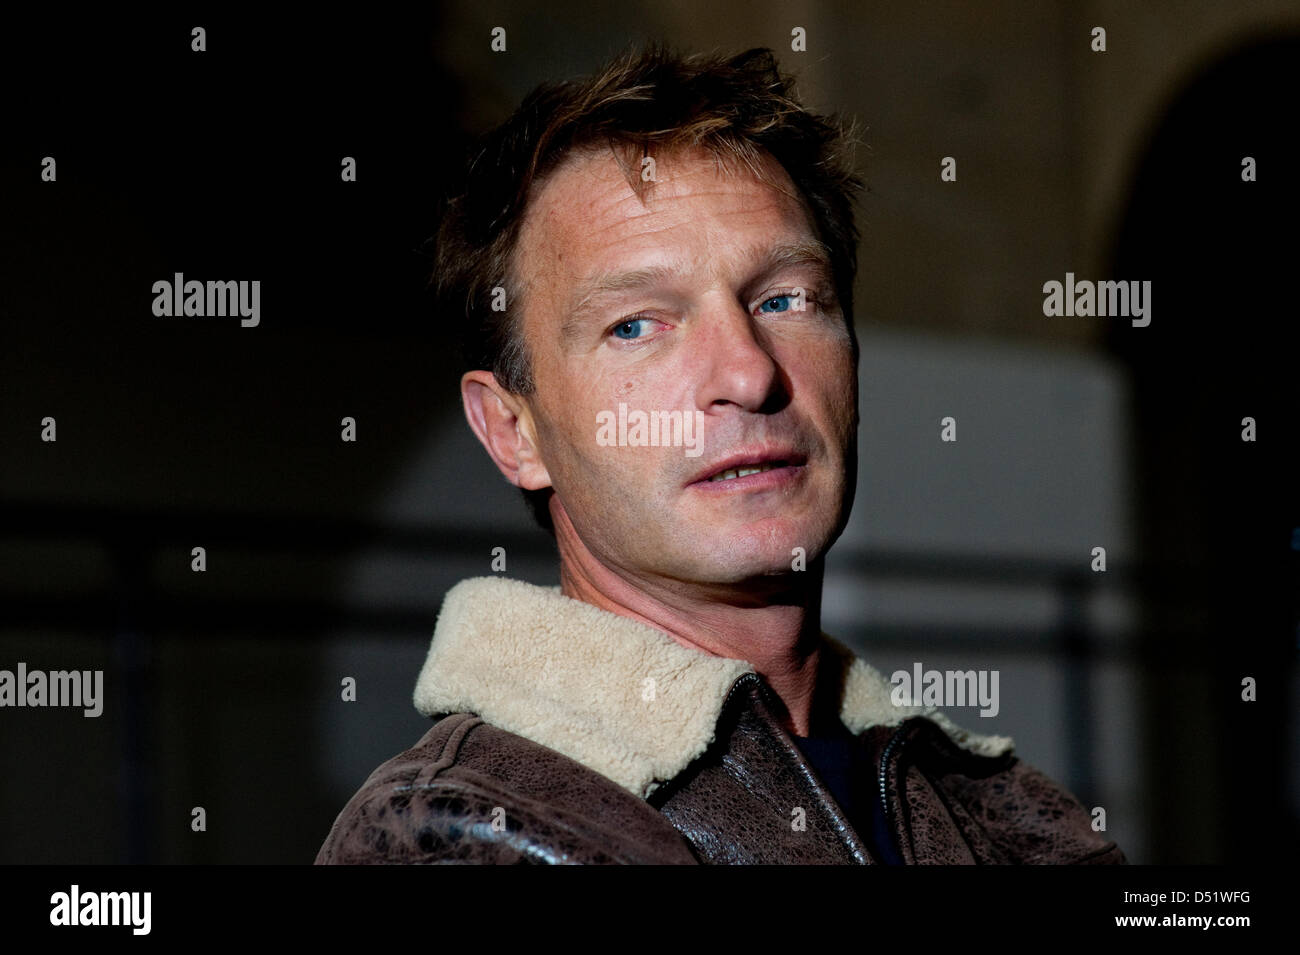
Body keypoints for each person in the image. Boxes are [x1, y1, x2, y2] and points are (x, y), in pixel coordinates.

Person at [315, 45, 1125, 865]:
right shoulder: (455, 834)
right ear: (512, 431)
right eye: (636, 324)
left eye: (785, 299)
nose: (748, 371)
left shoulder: (1013, 815)